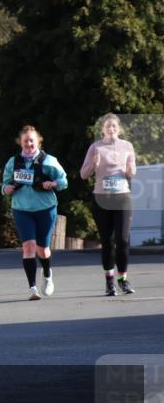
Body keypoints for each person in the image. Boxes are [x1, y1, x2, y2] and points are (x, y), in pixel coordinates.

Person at [1, 125, 68, 301]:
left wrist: (53, 184)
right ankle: (32, 288)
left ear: (38, 140)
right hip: (22, 209)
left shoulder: (48, 161)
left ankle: (47, 274)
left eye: (32, 140)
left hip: (45, 209)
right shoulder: (13, 162)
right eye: (25, 141)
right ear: (20, 143)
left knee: (43, 249)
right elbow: (4, 184)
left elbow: (63, 181)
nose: (29, 144)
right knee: (28, 247)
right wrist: (6, 188)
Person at [80, 114, 137, 296]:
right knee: (107, 241)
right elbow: (83, 174)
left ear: (118, 129)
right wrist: (94, 164)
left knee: (122, 239)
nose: (111, 129)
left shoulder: (127, 146)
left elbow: (132, 170)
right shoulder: (95, 147)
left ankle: (123, 280)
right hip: (101, 199)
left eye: (114, 126)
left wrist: (130, 170)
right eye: (107, 126)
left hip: (122, 197)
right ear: (102, 130)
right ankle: (109, 282)